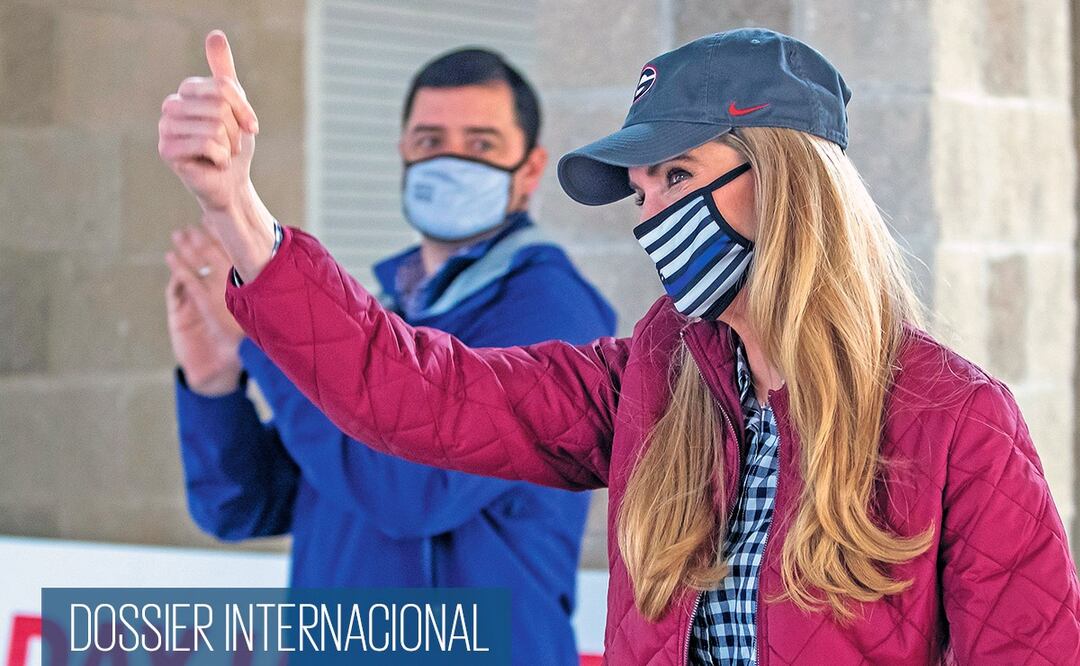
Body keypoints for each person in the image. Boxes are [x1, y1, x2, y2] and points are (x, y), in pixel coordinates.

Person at [159, 27, 1080, 665]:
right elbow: (421, 396)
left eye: (679, 173)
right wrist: (239, 212)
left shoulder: (954, 419)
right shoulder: (651, 381)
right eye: (642, 188)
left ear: (791, 182)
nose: (653, 213)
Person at [161, 45, 616, 666]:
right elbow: (244, 504)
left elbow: (407, 491)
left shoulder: (549, 311)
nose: (451, 160)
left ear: (530, 170)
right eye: (429, 140)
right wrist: (214, 383)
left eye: (481, 144)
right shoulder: (384, 317)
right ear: (403, 151)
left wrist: (263, 338)